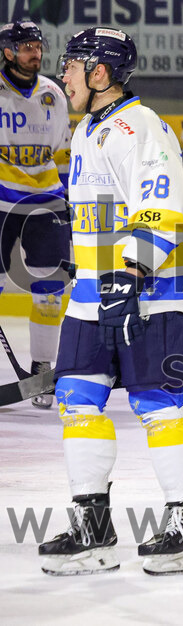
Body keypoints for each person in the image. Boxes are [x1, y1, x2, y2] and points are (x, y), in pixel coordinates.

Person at [38, 27, 183, 575]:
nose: (62, 73)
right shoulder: (89, 131)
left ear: (100, 73)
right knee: (77, 396)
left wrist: (132, 269)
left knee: (157, 404)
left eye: (73, 63)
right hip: (92, 294)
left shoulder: (139, 125)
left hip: (151, 294)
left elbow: (163, 206)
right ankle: (93, 527)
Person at [0, 21, 70, 409]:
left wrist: (68, 198)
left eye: (37, 46)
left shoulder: (53, 94)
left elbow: (62, 153)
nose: (35, 53)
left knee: (51, 290)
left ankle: (43, 370)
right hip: (0, 202)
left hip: (46, 202)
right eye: (26, 47)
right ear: (8, 52)